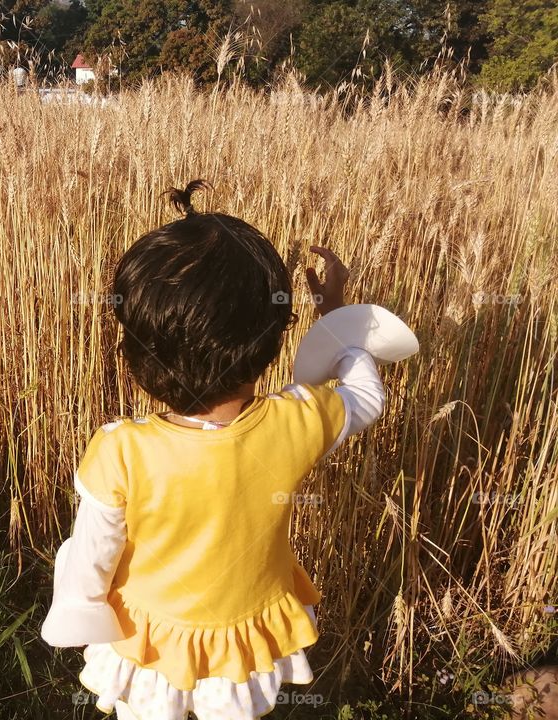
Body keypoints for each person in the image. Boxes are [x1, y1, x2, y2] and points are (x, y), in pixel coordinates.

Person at [40, 179, 419, 720]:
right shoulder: (296, 421)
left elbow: (89, 560)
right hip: (244, 638)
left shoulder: (120, 451)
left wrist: (81, 614)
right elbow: (364, 397)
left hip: (151, 641)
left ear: (136, 353)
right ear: (270, 343)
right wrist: (338, 324)